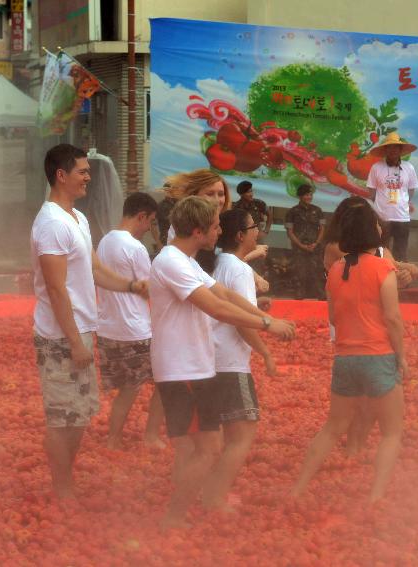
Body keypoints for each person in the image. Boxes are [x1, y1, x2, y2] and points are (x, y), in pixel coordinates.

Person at [150, 196, 294, 528]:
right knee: (204, 450)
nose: (219, 233)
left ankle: (184, 509)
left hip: (198, 366)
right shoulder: (171, 261)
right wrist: (268, 325)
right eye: (215, 226)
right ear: (199, 230)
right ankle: (173, 517)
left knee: (207, 447)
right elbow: (215, 308)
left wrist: (266, 317)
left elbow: (227, 297)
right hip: (182, 368)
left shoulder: (187, 260)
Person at [31, 144, 148, 499]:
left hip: (82, 329)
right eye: (82, 171)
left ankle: (67, 480)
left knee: (79, 414)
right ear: (61, 176)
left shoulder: (77, 219)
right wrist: (75, 342)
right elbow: (55, 288)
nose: (88, 177)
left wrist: (131, 286)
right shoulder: (51, 224)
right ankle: (62, 487)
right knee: (62, 417)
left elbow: (95, 269)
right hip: (60, 335)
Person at [291, 203, 406, 503]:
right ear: (373, 231)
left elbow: (332, 318)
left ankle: (299, 487)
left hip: (345, 358)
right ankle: (376, 496)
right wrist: (402, 357)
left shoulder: (336, 270)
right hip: (378, 355)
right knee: (392, 432)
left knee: (332, 428)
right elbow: (393, 318)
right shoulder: (384, 268)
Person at [201, 208, 278, 511]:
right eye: (253, 227)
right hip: (230, 362)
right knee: (242, 434)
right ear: (241, 236)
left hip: (208, 357)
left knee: (214, 436)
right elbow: (242, 322)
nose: (258, 231)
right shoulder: (240, 269)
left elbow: (233, 307)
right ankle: (215, 497)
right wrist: (267, 353)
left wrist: (256, 305)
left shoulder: (217, 262)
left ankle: (204, 490)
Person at [95, 192, 166, 450]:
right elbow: (148, 288)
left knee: (127, 389)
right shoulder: (135, 247)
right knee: (164, 382)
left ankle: (113, 438)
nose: (149, 228)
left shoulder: (104, 241)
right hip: (134, 330)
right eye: (150, 222)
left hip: (107, 328)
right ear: (141, 216)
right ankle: (150, 436)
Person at [322, 196, 418, 288]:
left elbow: (389, 268)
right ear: (344, 222)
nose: (362, 222)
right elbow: (367, 266)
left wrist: (402, 275)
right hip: (343, 302)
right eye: (356, 218)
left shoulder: (380, 249)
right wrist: (399, 270)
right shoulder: (336, 246)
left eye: (366, 218)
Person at [366, 132, 418, 262]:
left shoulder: (409, 168)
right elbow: (371, 192)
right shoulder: (376, 167)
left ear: (401, 150)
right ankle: (382, 279)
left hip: (402, 218)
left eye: (396, 147)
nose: (393, 150)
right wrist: (380, 208)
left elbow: (411, 190)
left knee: (401, 252)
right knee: (381, 251)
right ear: (385, 150)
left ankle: (401, 280)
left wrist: (403, 202)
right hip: (382, 218)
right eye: (389, 147)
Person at [285, 184, 325, 299]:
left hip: (315, 247)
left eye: (310, 194)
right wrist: (301, 245)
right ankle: (299, 294)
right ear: (300, 196)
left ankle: (320, 294)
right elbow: (290, 232)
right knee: (299, 272)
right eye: (306, 195)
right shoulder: (292, 212)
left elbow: (322, 229)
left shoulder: (318, 211)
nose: (309, 197)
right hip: (299, 249)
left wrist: (316, 243)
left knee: (318, 271)